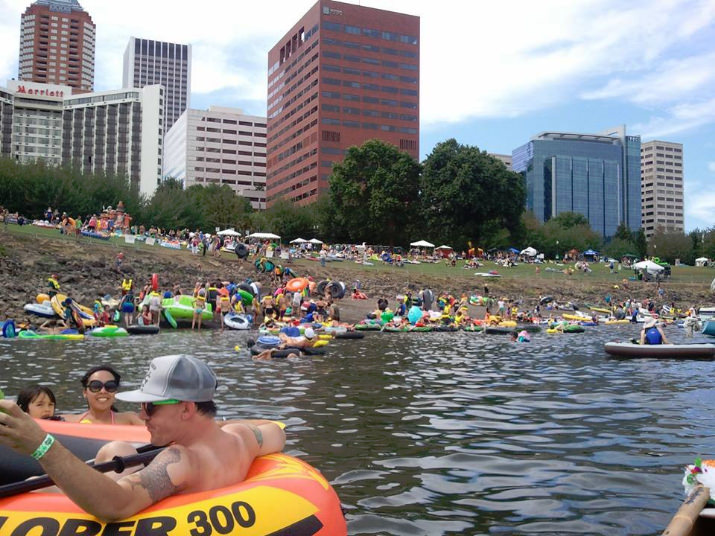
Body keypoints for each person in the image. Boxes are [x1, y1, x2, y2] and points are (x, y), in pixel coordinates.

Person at [0, 355, 286, 522]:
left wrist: (41, 445)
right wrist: (213, 425)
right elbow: (276, 431)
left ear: (186, 409)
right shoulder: (242, 438)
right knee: (117, 451)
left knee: (31, 488)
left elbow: (116, 505)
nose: (142, 415)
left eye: (150, 406)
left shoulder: (181, 460)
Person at [61, 365, 143, 425]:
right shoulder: (68, 421)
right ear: (85, 392)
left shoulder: (130, 420)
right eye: (96, 386)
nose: (103, 391)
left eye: (110, 386)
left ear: (115, 393)